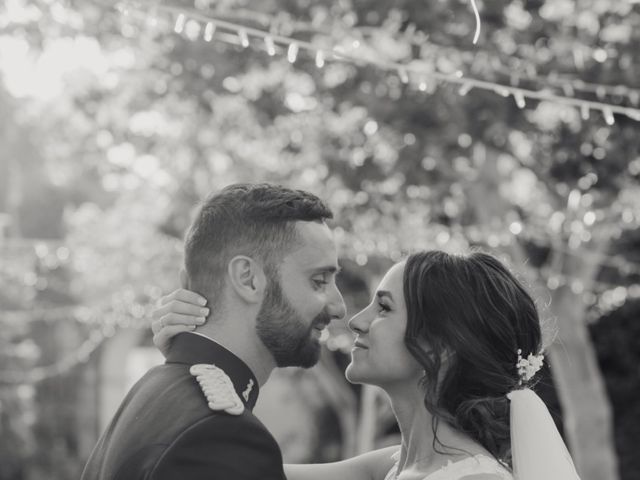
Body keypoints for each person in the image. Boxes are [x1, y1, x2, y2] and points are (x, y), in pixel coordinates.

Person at [154, 250, 583, 480]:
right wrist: (194, 348)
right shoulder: (393, 468)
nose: (355, 321)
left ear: (439, 348)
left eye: (383, 308)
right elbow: (239, 472)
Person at [81, 183, 347, 480]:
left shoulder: (152, 390)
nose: (339, 308)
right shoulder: (220, 434)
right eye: (319, 281)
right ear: (247, 279)